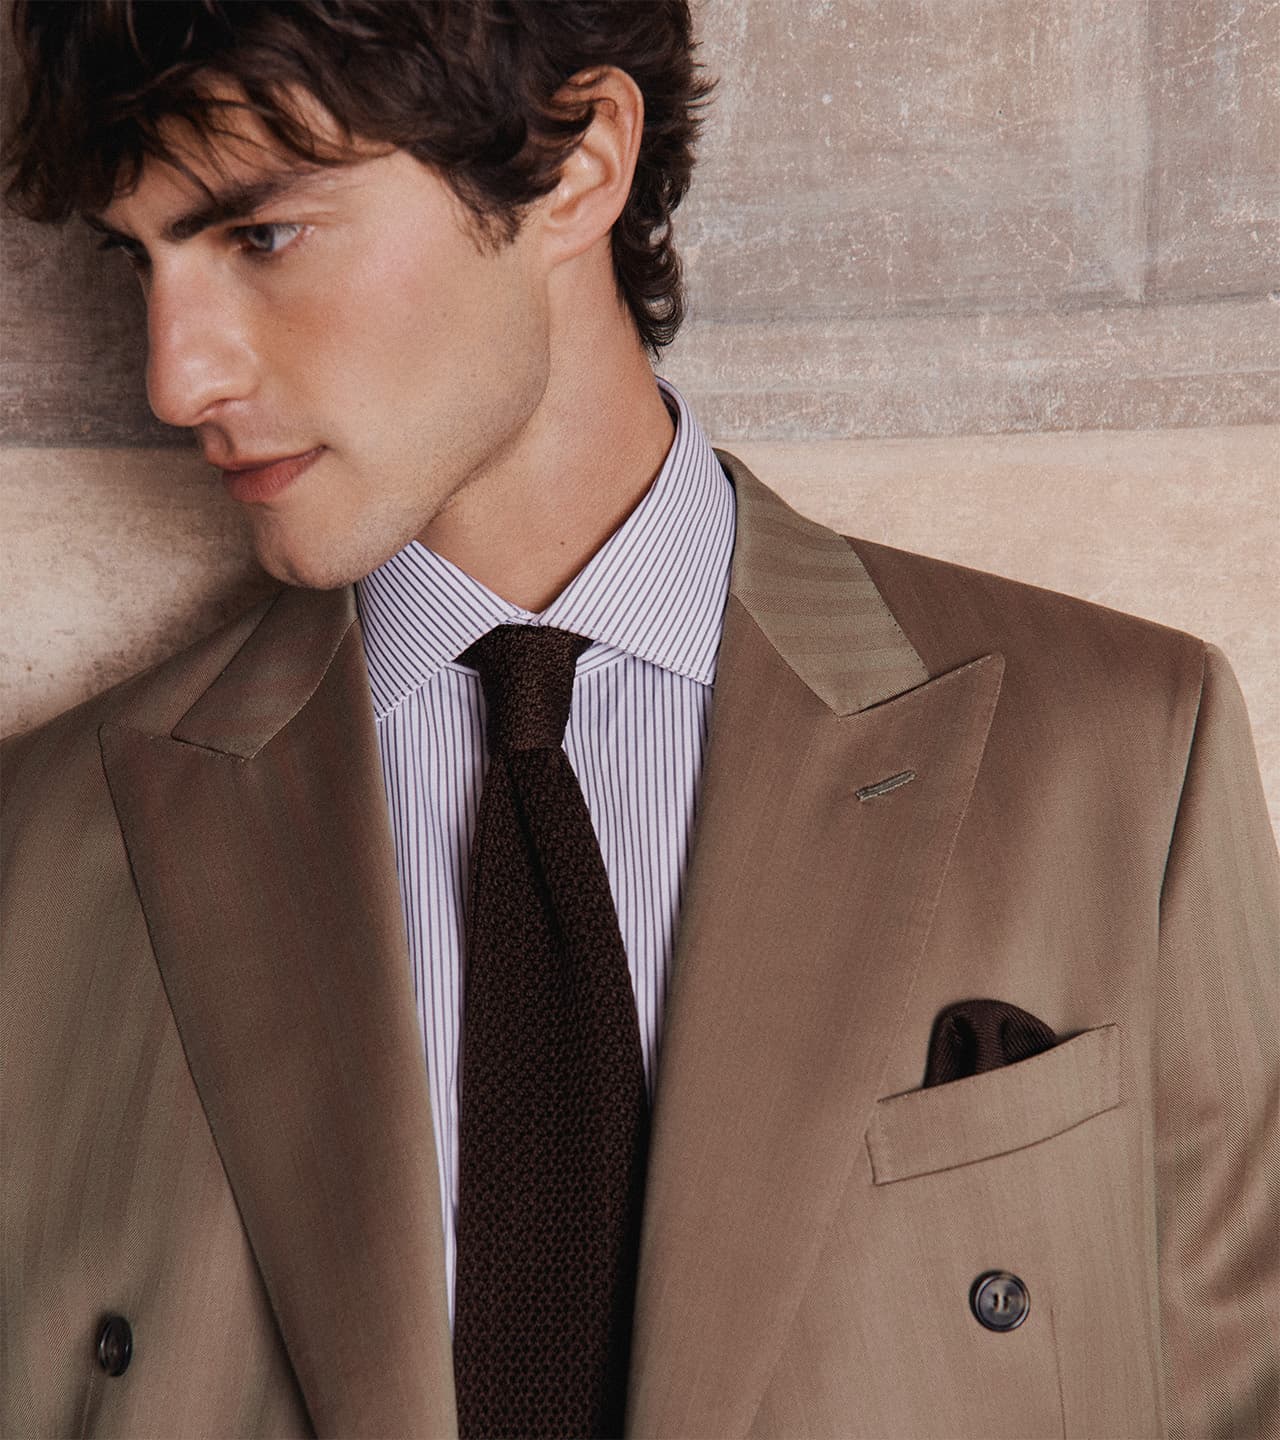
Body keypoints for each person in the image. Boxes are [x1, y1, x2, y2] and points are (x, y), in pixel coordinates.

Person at [1, 3, 1275, 1437]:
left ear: (578, 163)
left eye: (261, 236)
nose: (179, 376)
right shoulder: (41, 860)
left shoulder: (1122, 752)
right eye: (139, 257)